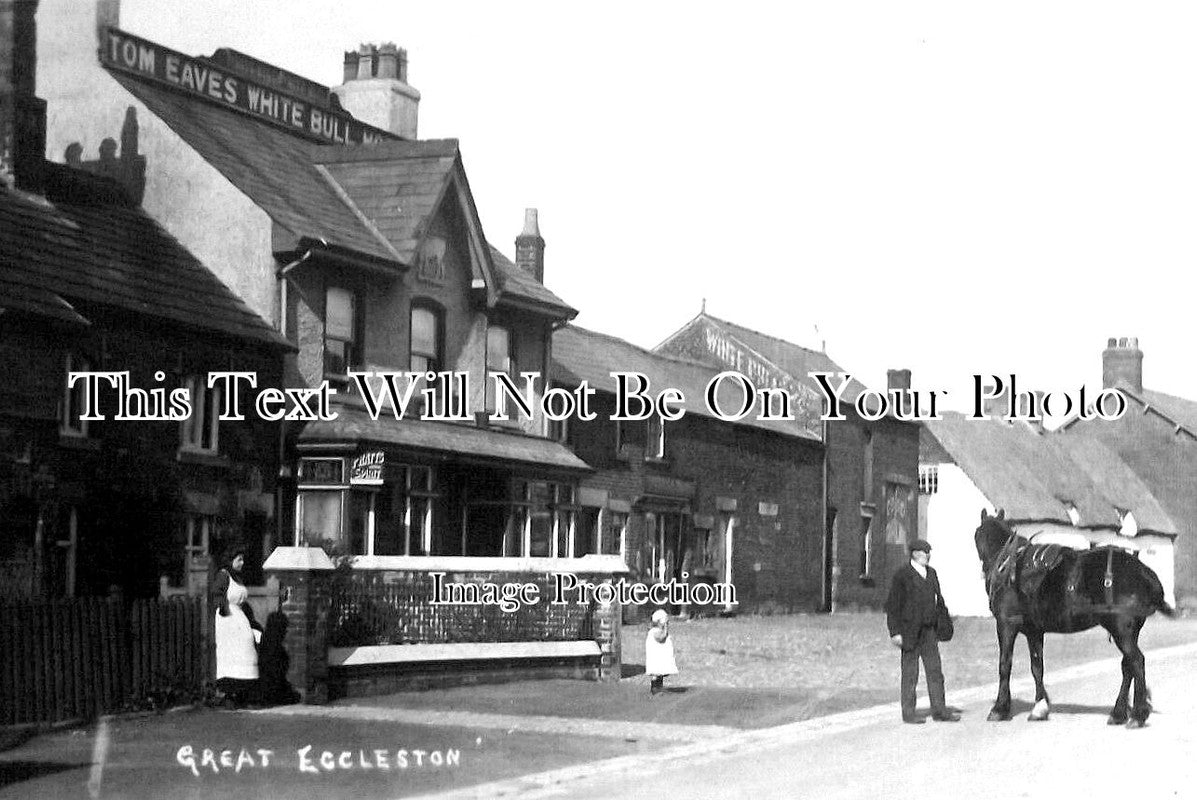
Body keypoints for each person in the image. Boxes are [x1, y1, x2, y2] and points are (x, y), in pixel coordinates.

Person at [885, 539, 959, 724]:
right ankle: (909, 713)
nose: (928, 555)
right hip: (909, 631)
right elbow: (892, 606)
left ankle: (939, 711)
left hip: (929, 632)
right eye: (925, 552)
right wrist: (895, 632)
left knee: (935, 672)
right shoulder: (902, 575)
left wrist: (944, 621)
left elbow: (938, 600)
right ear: (915, 554)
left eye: (928, 552)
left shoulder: (931, 573)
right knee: (910, 673)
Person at [213, 549, 261, 708]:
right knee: (231, 655)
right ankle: (229, 694)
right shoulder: (223, 575)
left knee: (247, 652)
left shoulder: (238, 578)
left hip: (239, 617)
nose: (242, 563)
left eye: (242, 559)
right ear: (230, 559)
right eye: (239, 559)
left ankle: (241, 692)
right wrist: (225, 613)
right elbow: (217, 594)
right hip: (227, 619)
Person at [645, 609, 679, 695]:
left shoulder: (657, 630)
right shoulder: (654, 630)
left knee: (661, 672)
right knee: (656, 672)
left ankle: (659, 687)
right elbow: (661, 637)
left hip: (660, 655)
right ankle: (655, 689)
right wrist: (666, 628)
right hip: (656, 656)